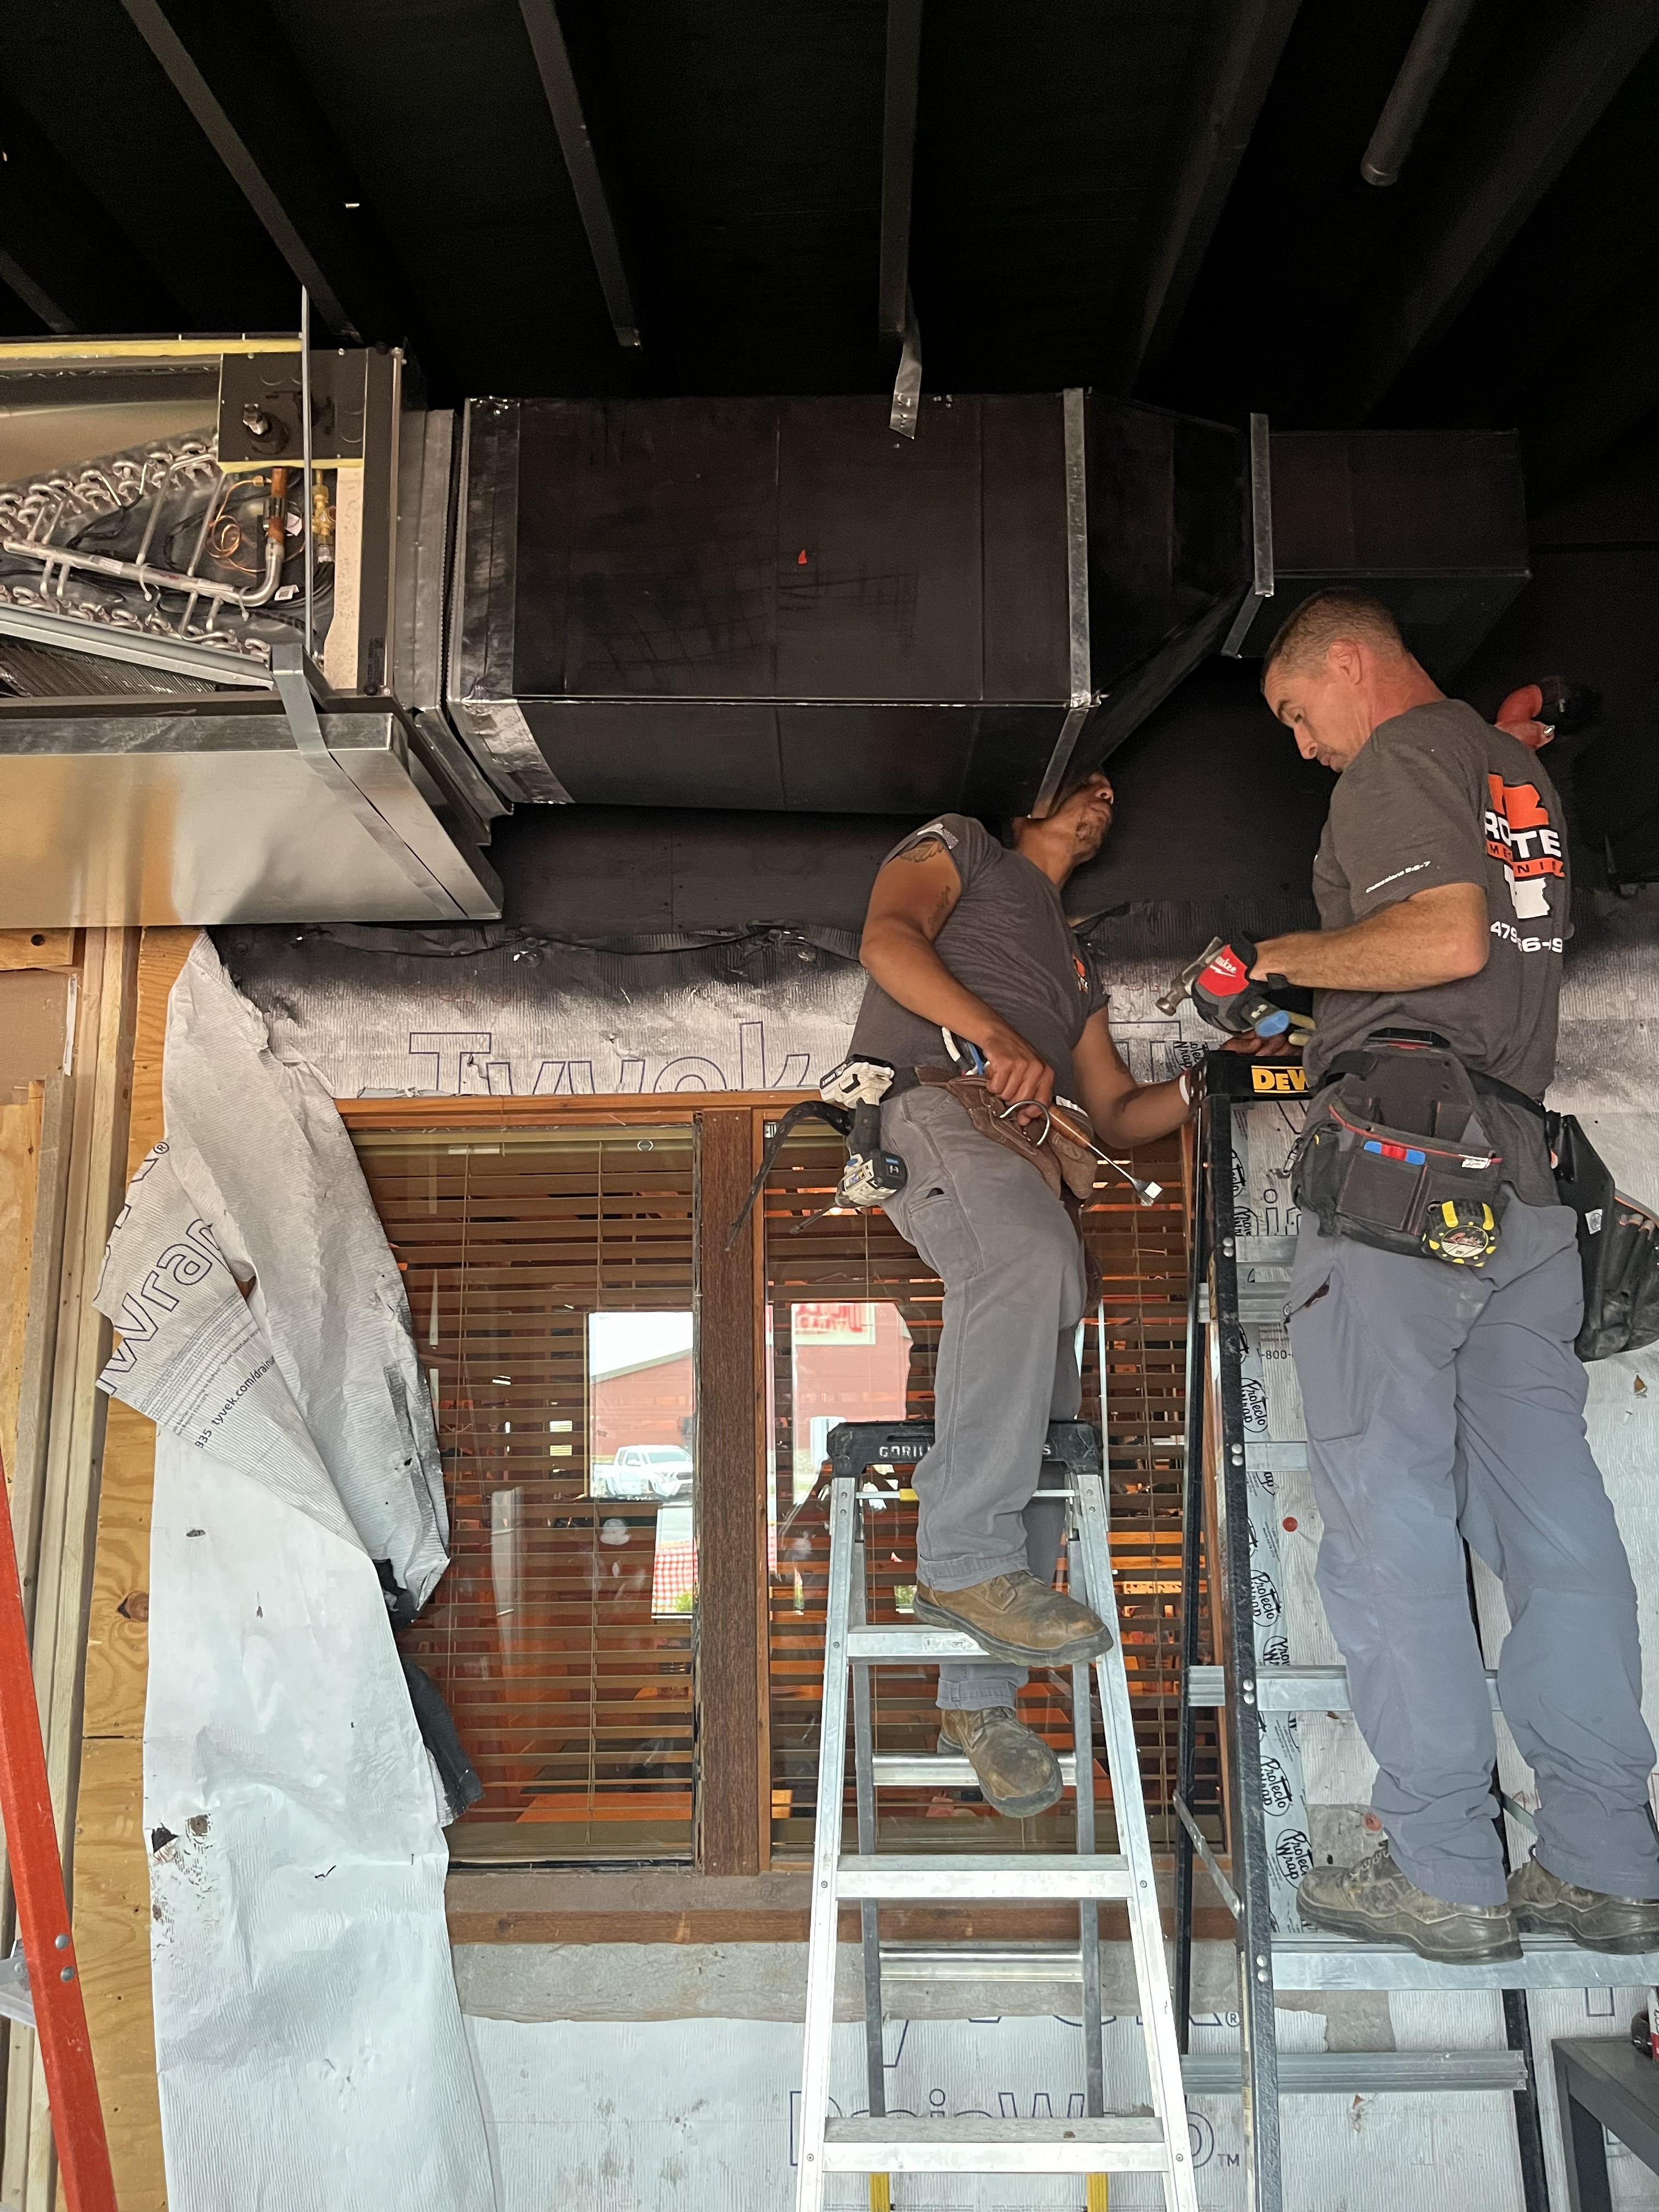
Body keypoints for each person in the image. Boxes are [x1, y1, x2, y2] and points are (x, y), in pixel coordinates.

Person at [1243, 586, 1659, 1961]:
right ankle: (1604, 1858)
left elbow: (1443, 940)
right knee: (1555, 1526)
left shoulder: (1398, 758)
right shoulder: (1507, 771)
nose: (1304, 745)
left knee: (1388, 1522)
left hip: (1406, 1174)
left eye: (1297, 712)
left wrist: (1269, 964)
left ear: (1346, 663)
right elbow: (1472, 949)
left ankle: (1445, 1870)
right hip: (1524, 1182)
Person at [849, 774, 1192, 1817]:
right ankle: (962, 1558)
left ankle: (979, 1703)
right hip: (938, 1108)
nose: (1106, 798)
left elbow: (1119, 1112)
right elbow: (888, 943)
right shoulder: (965, 846)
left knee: (1044, 1415)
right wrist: (997, 1038)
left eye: (1115, 793)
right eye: (1087, 783)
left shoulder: (1077, 964)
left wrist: (1210, 1079)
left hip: (1028, 1153)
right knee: (1027, 1260)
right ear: (1027, 804)